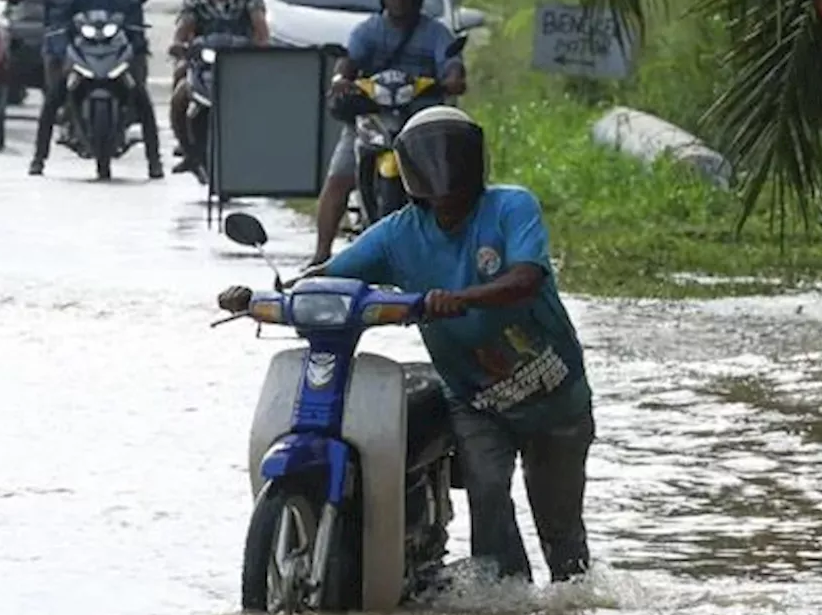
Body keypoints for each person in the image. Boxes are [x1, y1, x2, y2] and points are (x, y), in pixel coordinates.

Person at [217, 106, 595, 584]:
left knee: (561, 531)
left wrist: (458, 299)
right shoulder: (399, 234)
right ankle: (506, 608)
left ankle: (571, 614)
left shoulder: (511, 207)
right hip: (475, 400)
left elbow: (526, 278)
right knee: (486, 495)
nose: (443, 174)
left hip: (555, 398)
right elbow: (332, 274)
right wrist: (266, 298)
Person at [310, 0, 467, 265]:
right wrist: (341, 80)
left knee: (447, 182)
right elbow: (348, 62)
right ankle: (320, 254)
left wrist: (452, 79)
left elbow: (452, 67)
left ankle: (448, 249)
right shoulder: (368, 31)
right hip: (372, 118)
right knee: (339, 178)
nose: (398, 3)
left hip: (420, 122)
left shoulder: (435, 34)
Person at [29, 0, 162, 179]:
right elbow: (57, 9)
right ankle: (38, 157)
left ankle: (154, 160)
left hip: (115, 46)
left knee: (141, 96)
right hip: (80, 45)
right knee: (54, 95)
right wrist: (58, 36)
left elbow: (134, 13)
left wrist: (137, 41)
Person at [168, 0, 270, 174]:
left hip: (241, 64)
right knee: (180, 96)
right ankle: (189, 152)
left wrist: (261, 46)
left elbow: (260, 28)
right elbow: (184, 27)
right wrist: (179, 44)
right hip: (204, 65)